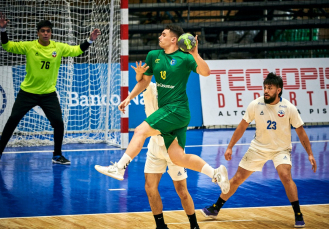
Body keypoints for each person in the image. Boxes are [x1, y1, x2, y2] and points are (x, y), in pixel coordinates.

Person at [95, 24, 230, 194]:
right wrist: (129, 97)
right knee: (177, 157)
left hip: (177, 109)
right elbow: (144, 81)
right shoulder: (154, 55)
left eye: (163, 34)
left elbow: (206, 72)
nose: (160, 37)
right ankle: (215, 173)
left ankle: (119, 167)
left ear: (174, 39)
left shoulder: (185, 58)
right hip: (169, 111)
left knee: (140, 131)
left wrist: (195, 54)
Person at [201, 73, 317, 228]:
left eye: (270, 88)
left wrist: (310, 153)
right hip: (258, 148)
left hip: (280, 150)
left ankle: (298, 214)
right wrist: (230, 147)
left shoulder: (289, 108)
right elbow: (242, 127)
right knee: (237, 179)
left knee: (285, 176)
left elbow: (301, 132)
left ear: (278, 90)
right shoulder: (255, 104)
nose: (266, 91)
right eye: (265, 88)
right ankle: (216, 208)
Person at [0, 13, 101, 164]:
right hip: (27, 93)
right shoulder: (29, 46)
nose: (46, 33)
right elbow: (7, 46)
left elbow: (76, 50)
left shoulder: (58, 48)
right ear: (38, 33)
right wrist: (3, 30)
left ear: (51, 32)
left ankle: (57, 155)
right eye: (43, 31)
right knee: (13, 120)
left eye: (48, 31)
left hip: (48, 94)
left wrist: (90, 40)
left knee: (58, 123)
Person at [143, 82, 199, 229]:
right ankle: (160, 226)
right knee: (150, 187)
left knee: (182, 191)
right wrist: (129, 96)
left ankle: (194, 225)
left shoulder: (176, 95)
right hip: (155, 145)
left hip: (173, 145)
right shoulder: (151, 88)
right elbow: (143, 82)